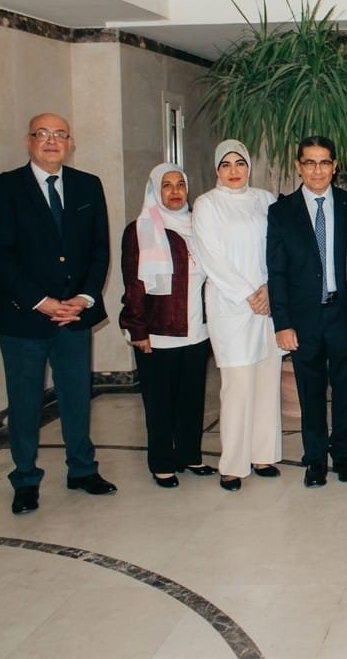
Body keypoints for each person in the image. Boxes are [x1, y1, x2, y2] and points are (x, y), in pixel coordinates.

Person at [0, 112, 115, 515]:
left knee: (76, 396)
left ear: (70, 143)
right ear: (29, 141)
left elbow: (99, 249)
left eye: (60, 134)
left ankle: (82, 469)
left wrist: (84, 298)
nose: (52, 141)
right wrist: (41, 301)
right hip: (23, 316)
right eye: (42, 134)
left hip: (74, 314)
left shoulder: (88, 185)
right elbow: (0, 254)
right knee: (25, 402)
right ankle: (25, 479)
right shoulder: (4, 187)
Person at [267, 136, 347, 488]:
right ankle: (315, 459)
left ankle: (344, 455)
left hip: (344, 313)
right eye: (310, 162)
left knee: (346, 389)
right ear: (299, 167)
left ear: (334, 166)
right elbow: (276, 271)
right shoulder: (281, 212)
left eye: (324, 162)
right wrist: (282, 323)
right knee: (309, 392)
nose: (317, 170)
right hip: (304, 318)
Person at [191, 140, 283, 492]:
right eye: (226, 164)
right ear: (217, 169)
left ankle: (263, 455)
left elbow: (277, 248)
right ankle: (232, 464)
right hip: (231, 306)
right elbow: (211, 256)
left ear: (248, 166)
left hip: (268, 303)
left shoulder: (265, 199)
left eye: (240, 163)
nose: (234, 170)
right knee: (238, 385)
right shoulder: (207, 204)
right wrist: (248, 293)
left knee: (266, 380)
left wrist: (269, 289)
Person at [119, 163, 213, 488]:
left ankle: (190, 455)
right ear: (155, 191)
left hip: (197, 330)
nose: (175, 192)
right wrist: (137, 329)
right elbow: (133, 284)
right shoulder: (140, 229)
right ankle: (162, 463)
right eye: (167, 185)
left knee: (192, 399)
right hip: (158, 334)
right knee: (160, 403)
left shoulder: (197, 225)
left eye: (180, 185)